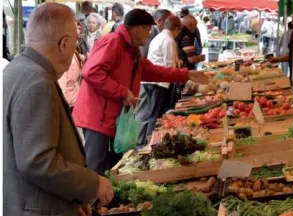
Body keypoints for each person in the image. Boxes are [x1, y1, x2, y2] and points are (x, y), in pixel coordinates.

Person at [3, 3, 114, 215]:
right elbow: (37, 161)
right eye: (75, 41)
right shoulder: (37, 82)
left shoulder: (16, 70)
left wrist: (71, 198)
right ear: (63, 44)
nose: (76, 47)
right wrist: (92, 184)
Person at [72, 9, 209, 175]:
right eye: (147, 29)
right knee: (96, 168)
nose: (150, 33)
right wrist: (122, 92)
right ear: (137, 29)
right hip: (97, 117)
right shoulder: (113, 42)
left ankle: (106, 199)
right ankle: (91, 201)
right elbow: (91, 72)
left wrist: (186, 74)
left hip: (112, 117)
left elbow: (152, 71)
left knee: (112, 167)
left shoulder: (131, 48)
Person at [136, 16, 182, 148]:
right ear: (176, 28)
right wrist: (179, 70)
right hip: (159, 82)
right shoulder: (169, 40)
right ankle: (150, 145)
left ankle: (144, 143)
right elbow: (169, 64)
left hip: (149, 81)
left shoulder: (158, 38)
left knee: (149, 113)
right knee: (155, 115)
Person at [58, 23, 84, 113]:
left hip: (73, 100)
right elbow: (61, 84)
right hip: (67, 102)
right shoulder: (66, 56)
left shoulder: (73, 52)